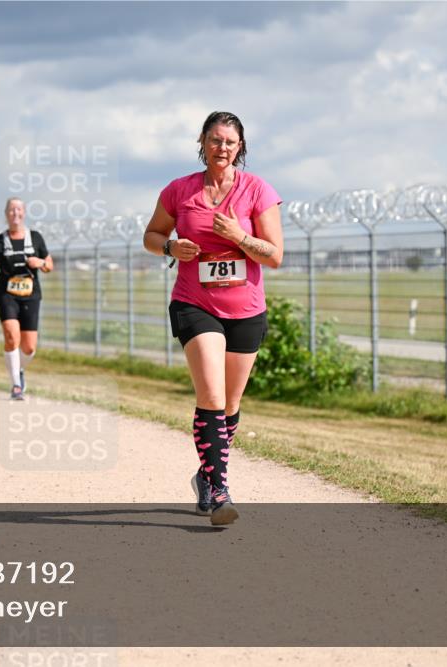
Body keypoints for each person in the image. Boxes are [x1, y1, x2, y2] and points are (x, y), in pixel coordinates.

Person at [143, 111, 283, 526]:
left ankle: (206, 474)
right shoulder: (179, 190)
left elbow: (274, 256)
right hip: (194, 303)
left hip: (246, 309)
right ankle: (220, 491)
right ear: (202, 142)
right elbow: (151, 236)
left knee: (232, 405)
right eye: (215, 140)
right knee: (212, 397)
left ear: (241, 148)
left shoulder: (257, 190)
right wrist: (171, 249)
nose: (222, 148)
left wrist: (238, 237)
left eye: (230, 142)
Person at [0, 198, 53, 400]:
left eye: (18, 209)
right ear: (6, 214)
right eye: (11, 210)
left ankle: (19, 370)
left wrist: (40, 262)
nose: (15, 213)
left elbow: (50, 265)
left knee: (29, 347)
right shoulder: (0, 241)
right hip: (6, 294)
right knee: (11, 336)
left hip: (30, 296)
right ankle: (16, 385)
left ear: (24, 212)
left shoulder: (35, 238)